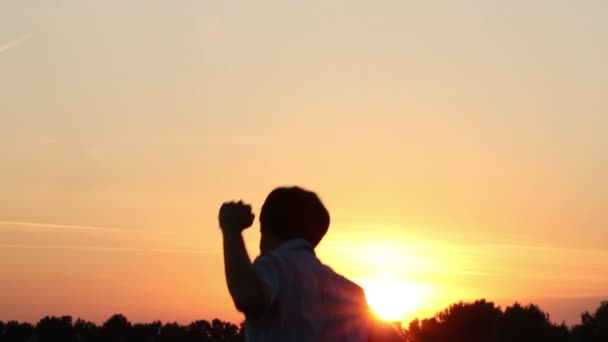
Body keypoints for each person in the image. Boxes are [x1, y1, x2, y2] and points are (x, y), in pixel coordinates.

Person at [219, 186, 404, 341]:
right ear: (316, 235)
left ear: (264, 228)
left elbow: (248, 296)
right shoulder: (351, 293)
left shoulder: (276, 266)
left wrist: (231, 230)